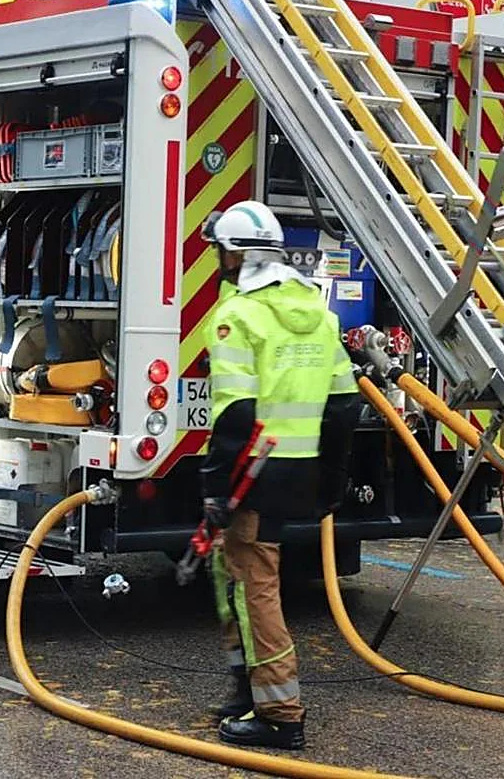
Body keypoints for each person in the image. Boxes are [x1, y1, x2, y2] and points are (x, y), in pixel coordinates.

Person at [197, 200, 360, 750]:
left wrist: (215, 489)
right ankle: (246, 691)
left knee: (254, 588)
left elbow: (235, 413)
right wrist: (331, 479)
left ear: (237, 254)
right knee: (236, 578)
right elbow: (343, 405)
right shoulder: (315, 307)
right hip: (297, 470)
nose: (217, 259)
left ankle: (280, 713)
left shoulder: (236, 316)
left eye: (220, 250)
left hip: (255, 474)